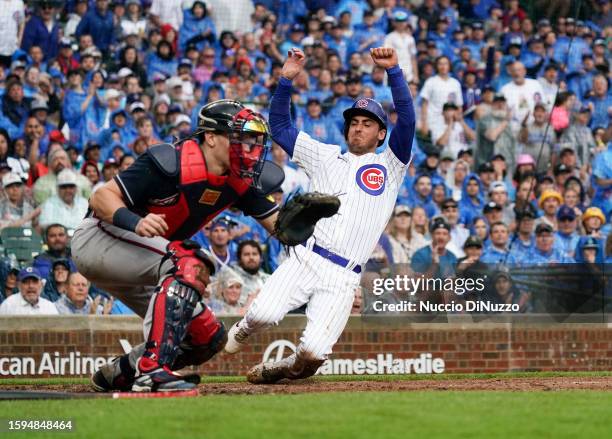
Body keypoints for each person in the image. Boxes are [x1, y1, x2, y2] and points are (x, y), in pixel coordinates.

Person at [224, 47, 415, 384]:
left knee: (313, 354)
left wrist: (395, 72)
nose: (358, 128)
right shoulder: (325, 157)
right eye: (353, 122)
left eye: (367, 124)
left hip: (343, 277)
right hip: (307, 258)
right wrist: (285, 80)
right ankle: (244, 329)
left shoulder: (391, 165)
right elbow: (280, 127)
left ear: (381, 133)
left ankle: (282, 368)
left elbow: (408, 118)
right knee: (262, 314)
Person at [72, 99, 283, 393]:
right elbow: (101, 197)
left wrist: (306, 220)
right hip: (99, 238)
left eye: (250, 140)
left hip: (148, 260)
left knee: (207, 337)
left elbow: (283, 230)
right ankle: (151, 371)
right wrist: (136, 222)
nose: (247, 147)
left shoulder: (241, 179)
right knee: (191, 262)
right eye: (238, 138)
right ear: (210, 137)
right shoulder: (169, 162)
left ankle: (117, 374)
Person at [230, 240, 268, 305]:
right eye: (246, 254)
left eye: (255, 254)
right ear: (239, 259)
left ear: (261, 258)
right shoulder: (230, 279)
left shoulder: (268, 279)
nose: (251, 257)